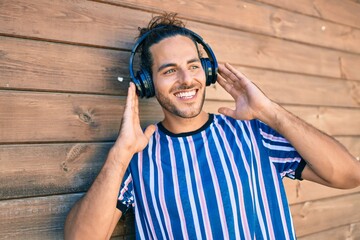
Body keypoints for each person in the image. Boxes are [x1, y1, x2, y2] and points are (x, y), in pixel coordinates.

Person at [64, 13, 360, 239]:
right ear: (147, 83)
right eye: (169, 70)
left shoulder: (253, 134)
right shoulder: (136, 155)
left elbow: (349, 175)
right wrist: (119, 156)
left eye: (193, 66)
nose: (186, 79)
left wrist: (271, 112)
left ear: (206, 72)